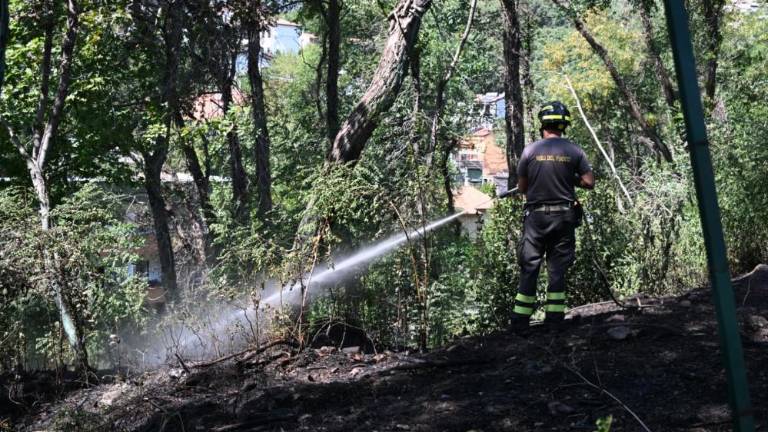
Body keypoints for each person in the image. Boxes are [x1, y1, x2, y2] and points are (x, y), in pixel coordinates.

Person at [510, 101, 594, 330]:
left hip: (536, 218)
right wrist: (570, 177)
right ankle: (554, 321)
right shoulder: (574, 151)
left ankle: (520, 322)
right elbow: (588, 182)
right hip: (564, 217)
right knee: (557, 268)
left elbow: (523, 187)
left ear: (542, 124)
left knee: (530, 266)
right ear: (563, 126)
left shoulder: (530, 151)